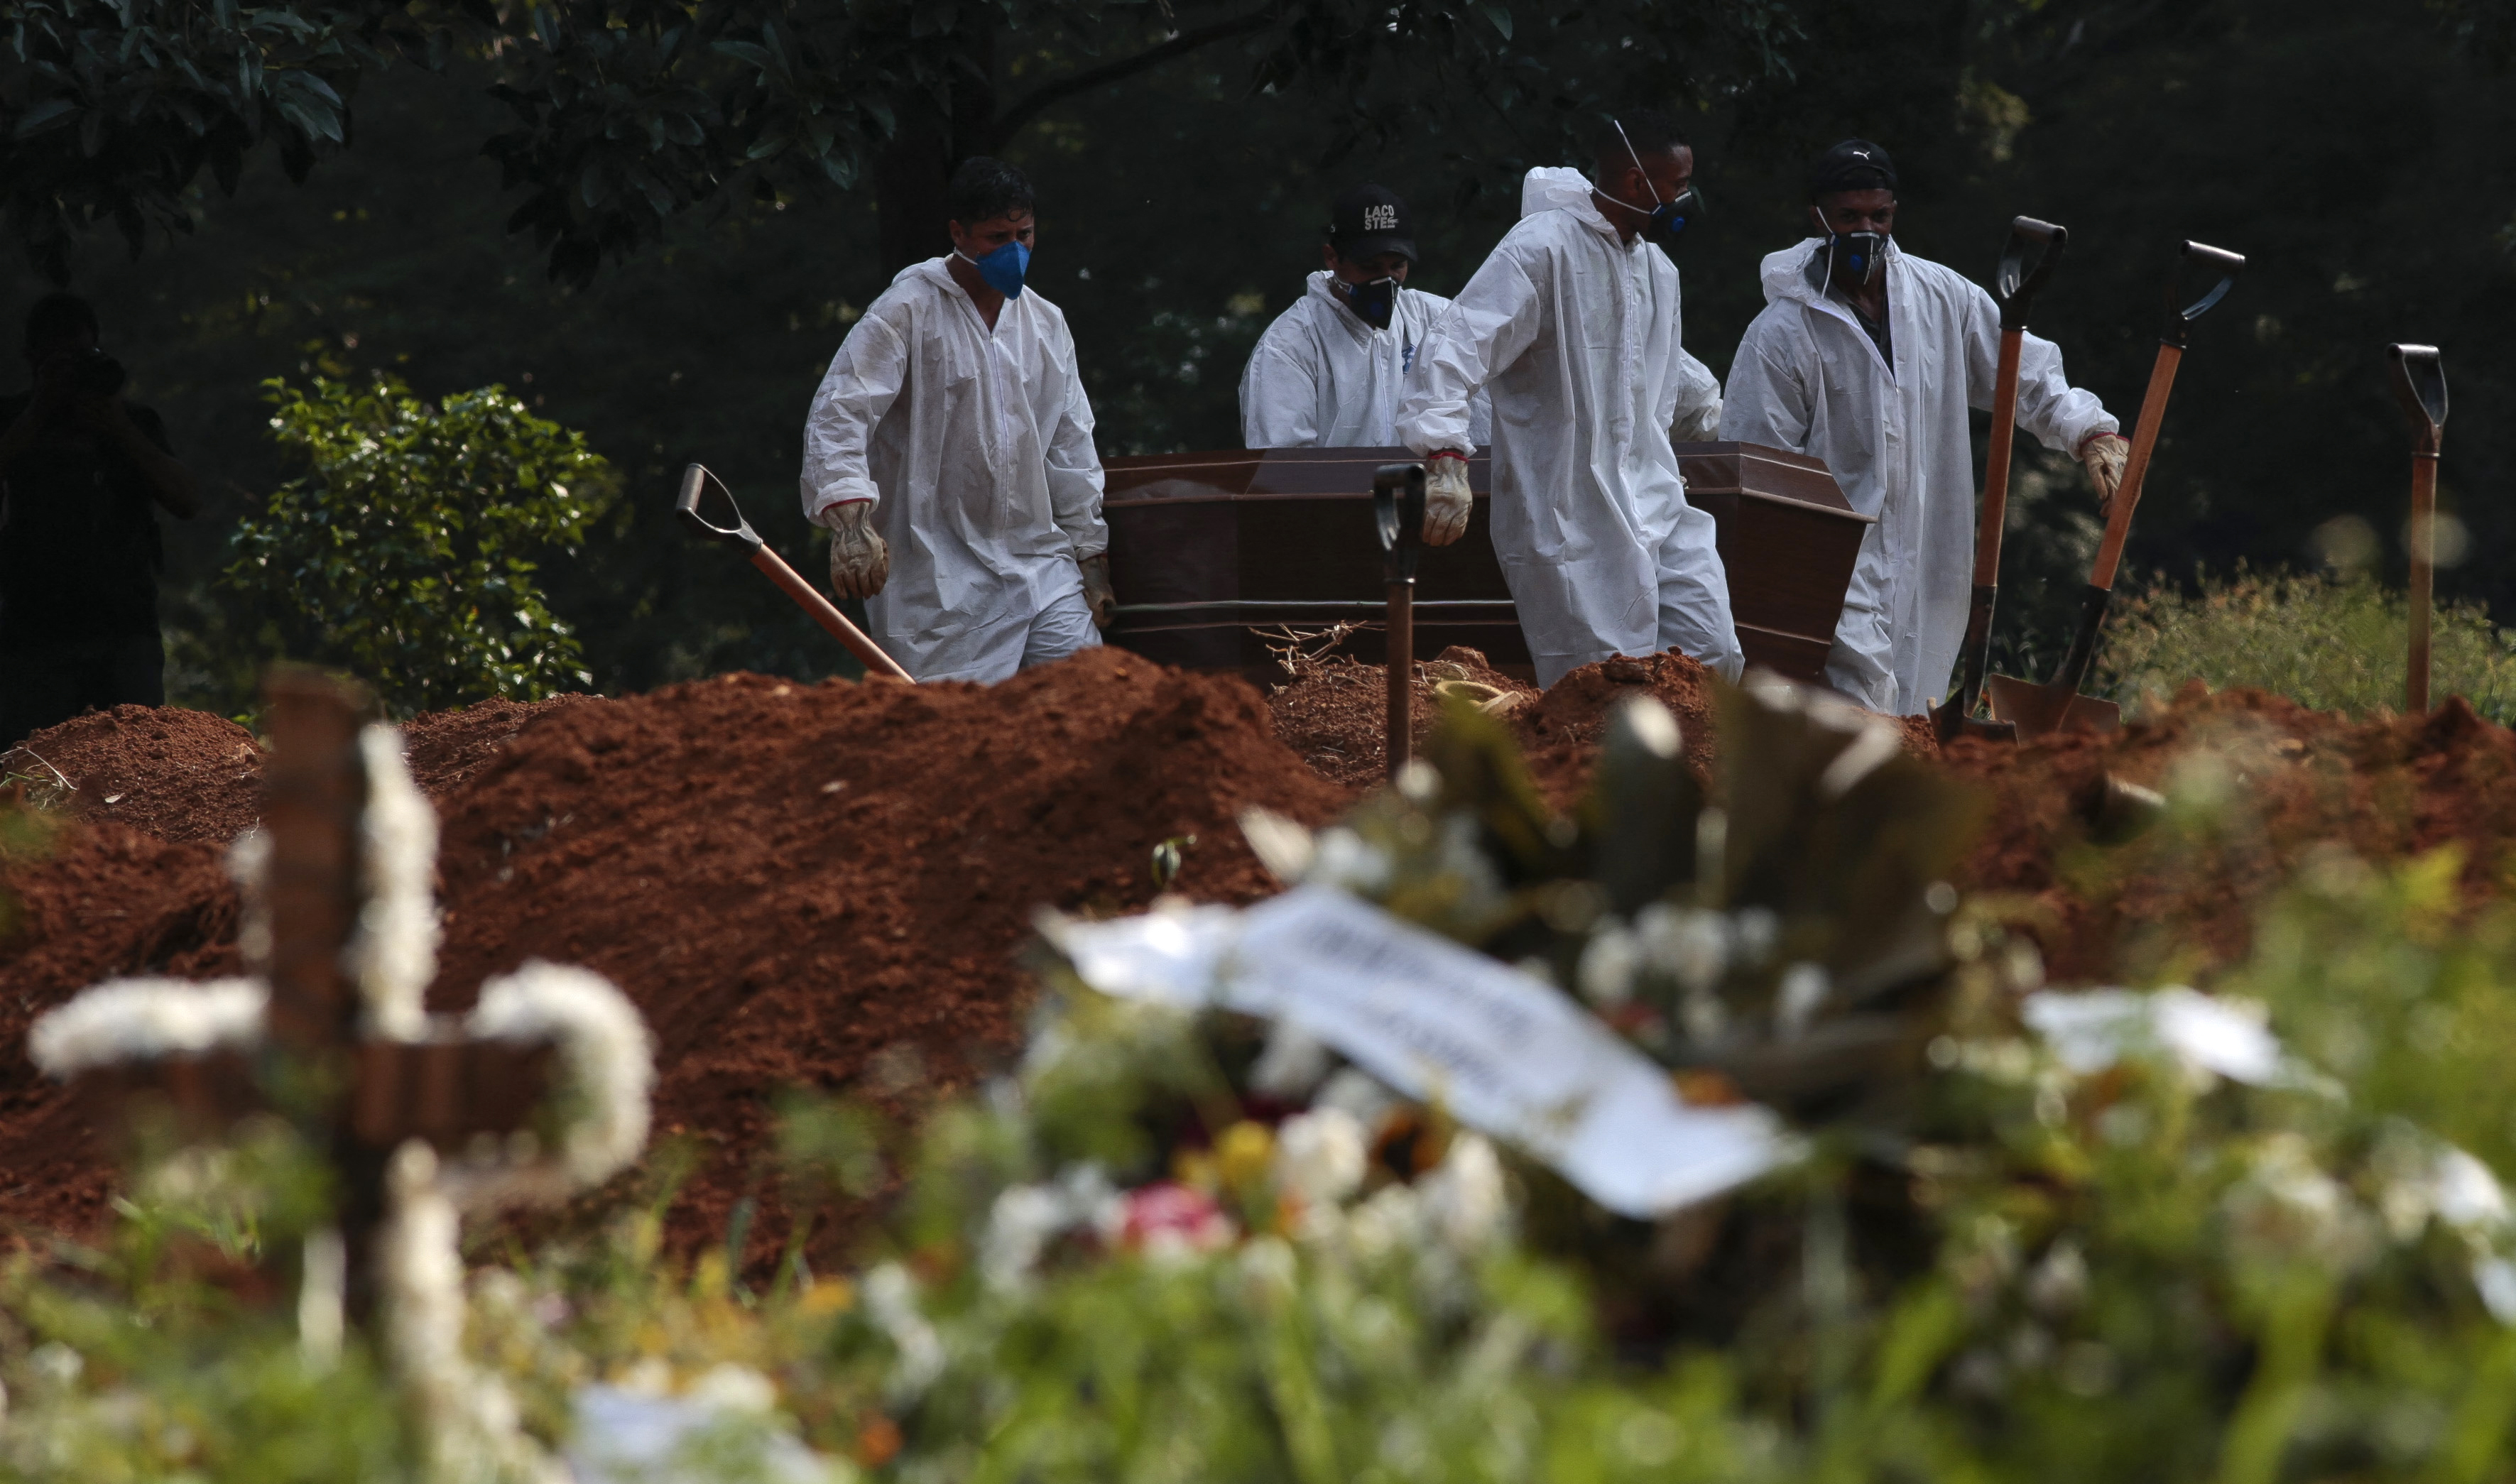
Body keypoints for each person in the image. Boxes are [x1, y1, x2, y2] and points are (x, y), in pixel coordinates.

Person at [1721, 139, 2130, 716]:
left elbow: (2022, 371)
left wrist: (2090, 433)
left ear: (1894, 212)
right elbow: (1758, 470)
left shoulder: (1941, 297)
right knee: (1854, 713)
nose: (1866, 230)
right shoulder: (1782, 334)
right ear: (1816, 219)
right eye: (1848, 217)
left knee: (1917, 706)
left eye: (1878, 216)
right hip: (1830, 569)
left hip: (1929, 551)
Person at [1395, 109, 1740, 688]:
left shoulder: (1656, 269)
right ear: (1636, 182)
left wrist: (1712, 412)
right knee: (1606, 685)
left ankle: (1690, 778)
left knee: (1710, 653)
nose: (1685, 199)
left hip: (1653, 497)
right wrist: (1444, 456)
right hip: (1569, 511)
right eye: (1677, 185)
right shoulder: (1541, 249)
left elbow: (1660, 368)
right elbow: (1456, 346)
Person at [800, 156, 1111, 683]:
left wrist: (1091, 560)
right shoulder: (905, 312)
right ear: (957, 233)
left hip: (1037, 561)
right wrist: (850, 524)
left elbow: (1070, 443)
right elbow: (841, 412)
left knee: (1091, 696)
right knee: (959, 742)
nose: (1014, 250)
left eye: (1024, 233)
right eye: (996, 237)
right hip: (938, 578)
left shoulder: (1045, 324)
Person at [0, 293, 199, 747]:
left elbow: (187, 500)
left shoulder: (133, 423)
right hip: (33, 627)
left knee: (135, 765)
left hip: (122, 625)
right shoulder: (12, 420)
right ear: (33, 360)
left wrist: (118, 427)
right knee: (31, 773)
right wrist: (37, 413)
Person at [1238, 184, 1491, 449]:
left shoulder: (1436, 320)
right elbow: (1284, 464)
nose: (1386, 280)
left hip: (1425, 490)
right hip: (1336, 491)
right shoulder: (1290, 344)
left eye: (1397, 266)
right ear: (1332, 257)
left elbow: (1483, 425)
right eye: (1370, 267)